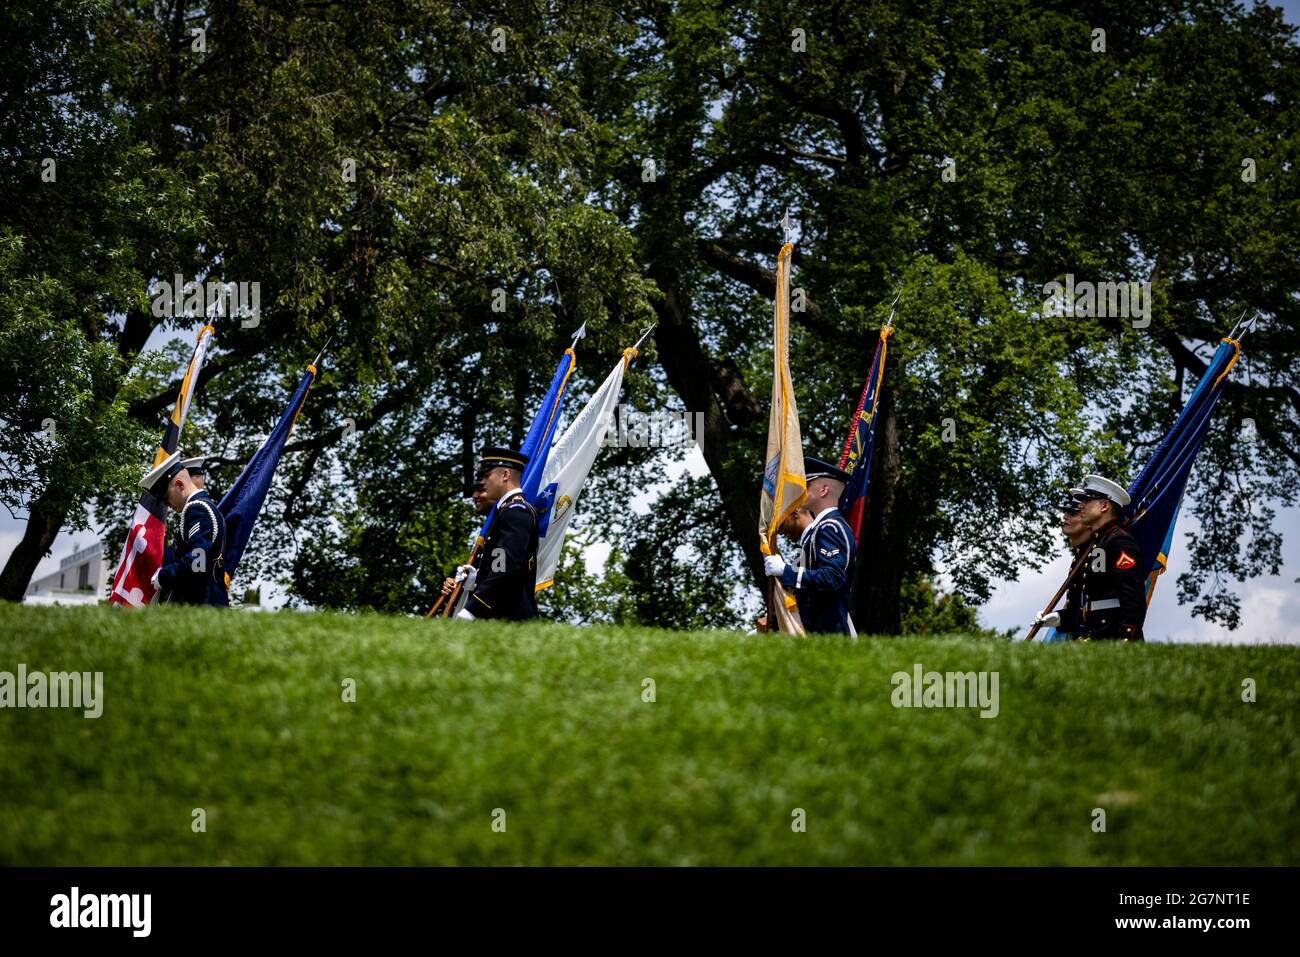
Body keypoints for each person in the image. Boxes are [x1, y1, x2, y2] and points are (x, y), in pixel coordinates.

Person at [1035, 474, 1145, 641]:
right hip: (1094, 638)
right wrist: (1058, 618)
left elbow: (1132, 599)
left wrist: (1125, 640)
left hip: (1114, 640)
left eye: (1087, 501)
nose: (1081, 506)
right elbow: (1084, 607)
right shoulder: (1097, 544)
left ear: (1104, 506)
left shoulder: (1119, 541)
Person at [760, 456, 857, 636]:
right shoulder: (815, 534)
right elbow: (805, 597)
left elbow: (833, 578)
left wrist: (786, 571)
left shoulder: (830, 527)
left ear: (824, 490)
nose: (800, 491)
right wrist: (774, 622)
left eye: (807, 485)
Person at [444, 447, 539, 622]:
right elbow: (499, 561)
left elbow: (506, 564)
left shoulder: (516, 512)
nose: (483, 482)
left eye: (487, 476)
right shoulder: (505, 512)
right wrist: (475, 578)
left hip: (510, 618)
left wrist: (474, 608)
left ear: (505, 475)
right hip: (500, 616)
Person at [143, 450, 230, 607]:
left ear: (179, 485)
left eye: (165, 497)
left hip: (204, 607)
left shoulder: (197, 509)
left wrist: (163, 577)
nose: (166, 505)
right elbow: (182, 558)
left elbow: (197, 562)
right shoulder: (199, 509)